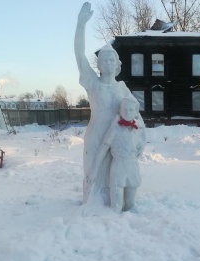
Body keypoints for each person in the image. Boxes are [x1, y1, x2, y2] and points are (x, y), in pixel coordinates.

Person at [75, 2, 144, 204]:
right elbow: (79, 56)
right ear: (99, 65)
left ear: (117, 64)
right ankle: (94, 203)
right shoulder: (93, 83)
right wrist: (81, 25)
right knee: (94, 174)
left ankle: (113, 204)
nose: (107, 63)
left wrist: (141, 139)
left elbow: (137, 117)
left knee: (114, 176)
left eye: (111, 60)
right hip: (97, 136)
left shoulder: (122, 88)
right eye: (104, 60)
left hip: (118, 139)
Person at [87, 97, 146, 213]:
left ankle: (129, 225)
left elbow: (143, 138)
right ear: (119, 110)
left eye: (130, 110)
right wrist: (94, 170)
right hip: (118, 166)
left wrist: (142, 146)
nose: (127, 112)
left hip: (133, 166)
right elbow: (103, 149)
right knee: (116, 204)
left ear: (135, 112)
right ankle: (114, 223)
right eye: (124, 109)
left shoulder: (138, 128)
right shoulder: (115, 129)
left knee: (130, 203)